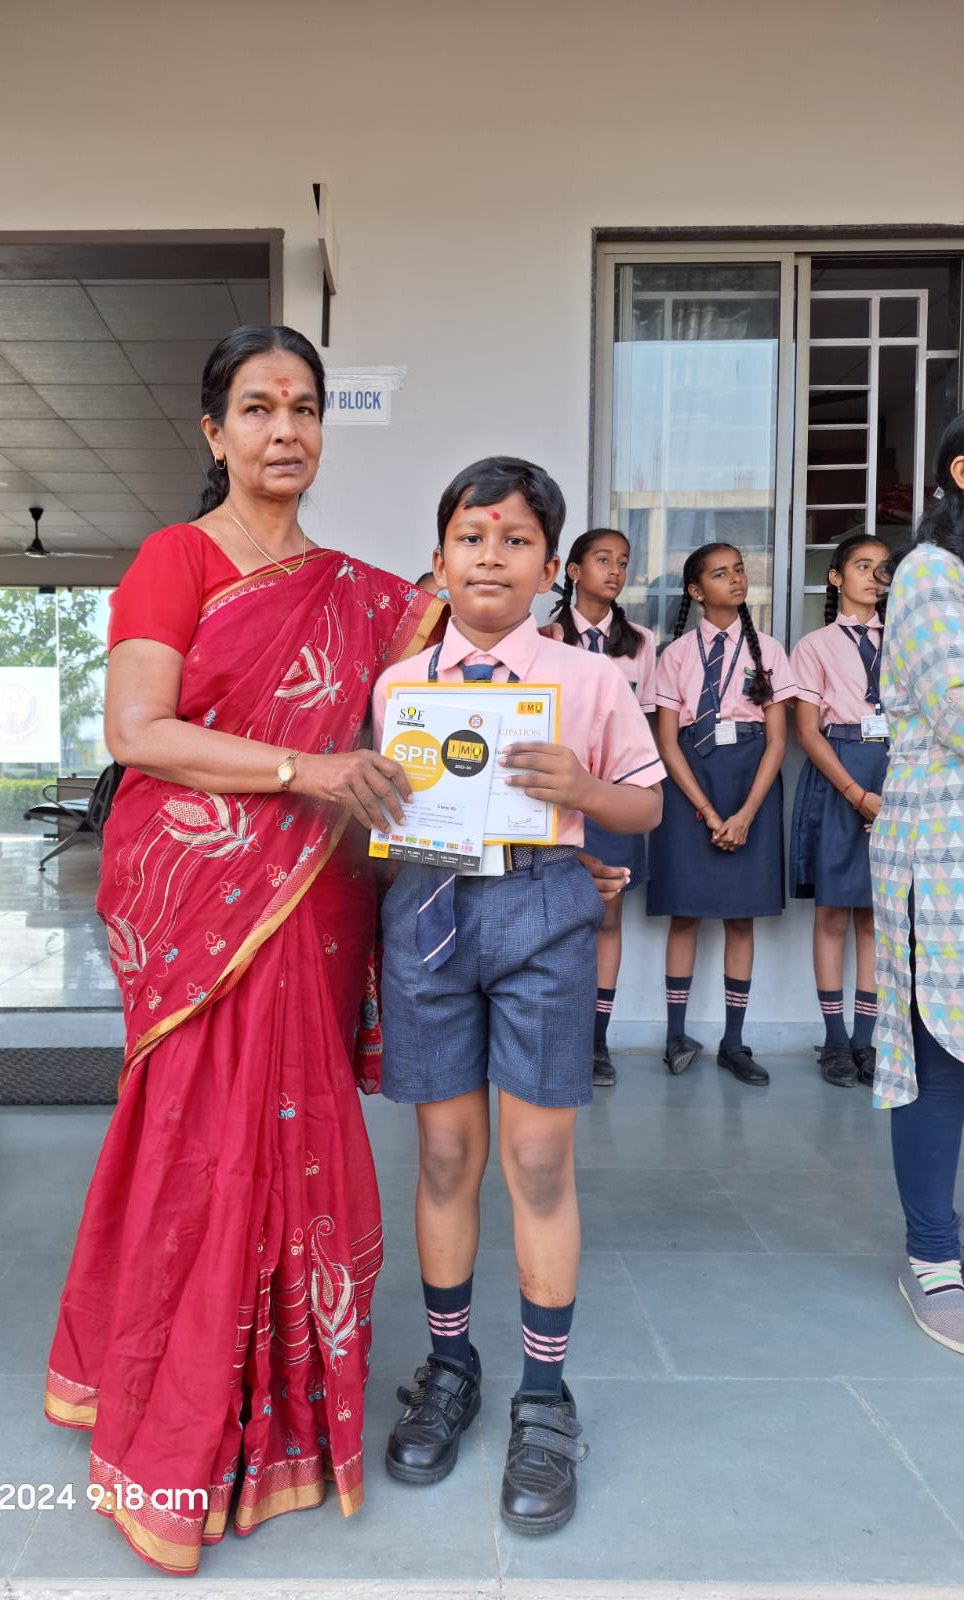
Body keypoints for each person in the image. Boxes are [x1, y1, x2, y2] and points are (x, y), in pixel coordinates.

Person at [42, 325, 444, 1574]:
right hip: (195, 898)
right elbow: (138, 728)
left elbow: (432, 743)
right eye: (259, 407)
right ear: (213, 431)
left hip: (315, 903)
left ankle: (279, 1410)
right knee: (201, 1145)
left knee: (289, 1141)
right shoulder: (176, 558)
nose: (286, 430)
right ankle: (174, 1412)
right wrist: (303, 768)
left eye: (306, 407)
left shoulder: (375, 598)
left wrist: (558, 815)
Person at [373, 458, 664, 1533]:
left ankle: (545, 1393)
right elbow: (386, 808)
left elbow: (642, 806)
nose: (489, 555)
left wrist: (580, 792)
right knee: (446, 1154)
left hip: (544, 908)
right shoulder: (400, 687)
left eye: (514, 539)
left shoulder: (587, 681)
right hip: (429, 910)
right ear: (440, 557)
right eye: (469, 535)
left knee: (537, 1159)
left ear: (550, 566)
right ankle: (451, 1366)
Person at [872, 411, 964, 1355]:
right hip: (943, 854)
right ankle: (934, 1253)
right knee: (943, 1053)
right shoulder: (933, 575)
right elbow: (956, 706)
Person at [647, 543, 797, 1085]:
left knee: (741, 915)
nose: (735, 579)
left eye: (738, 571)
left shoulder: (770, 651)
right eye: (720, 574)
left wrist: (746, 814)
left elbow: (778, 741)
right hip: (692, 783)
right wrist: (709, 812)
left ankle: (734, 1041)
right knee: (685, 913)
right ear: (695, 591)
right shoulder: (675, 656)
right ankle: (675, 1035)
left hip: (750, 780)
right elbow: (667, 742)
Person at [552, 528, 658, 1087]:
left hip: (612, 795)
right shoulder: (545, 636)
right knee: (556, 911)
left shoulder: (640, 641)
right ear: (571, 570)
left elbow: (639, 734)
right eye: (601, 560)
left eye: (623, 561)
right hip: (555, 795)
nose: (615, 570)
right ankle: (558, 1033)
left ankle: (597, 1040)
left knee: (607, 915)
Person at [789, 535, 890, 1087]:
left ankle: (865, 1042)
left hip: (892, 774)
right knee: (833, 913)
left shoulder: (902, 640)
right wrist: (856, 794)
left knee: (874, 915)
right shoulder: (815, 646)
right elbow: (807, 731)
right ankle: (833, 1040)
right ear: (835, 577)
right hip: (839, 778)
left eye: (882, 569)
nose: (874, 577)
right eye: (861, 566)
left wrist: (891, 795)